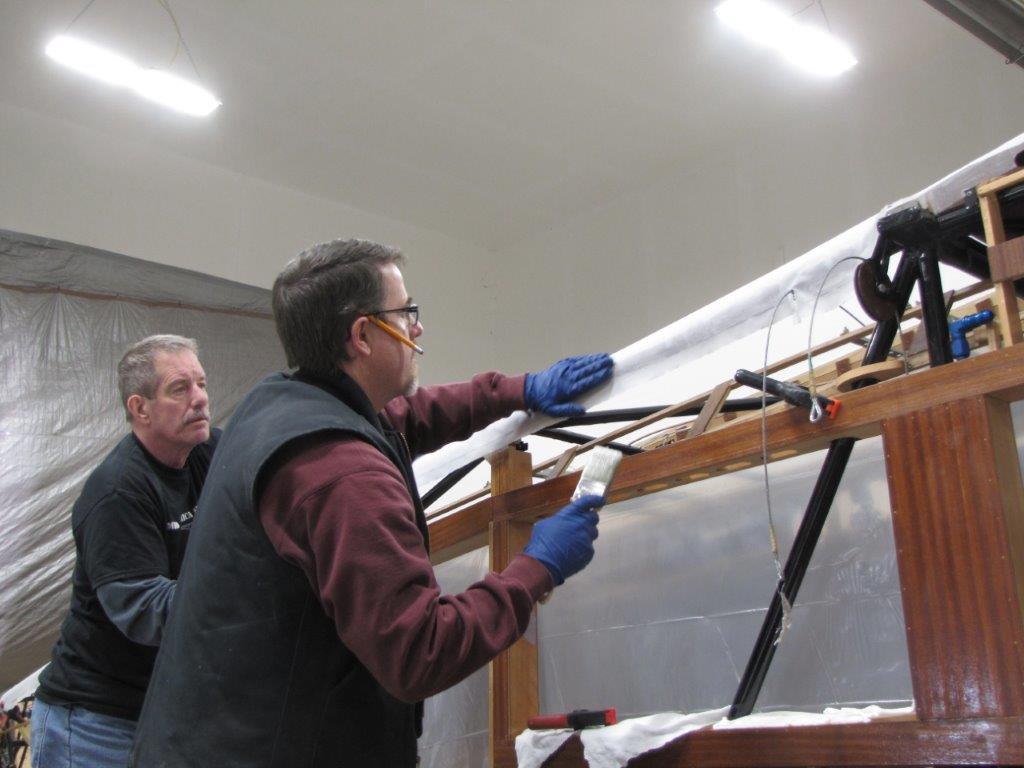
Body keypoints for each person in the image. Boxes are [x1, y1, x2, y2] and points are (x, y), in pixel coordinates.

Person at [130, 239, 613, 767]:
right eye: (406, 313)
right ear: (362, 335)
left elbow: (404, 418)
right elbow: (419, 651)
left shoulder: (280, 404)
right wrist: (537, 567)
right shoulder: (342, 474)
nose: (417, 329)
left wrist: (516, 390)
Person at [32, 335, 218, 768]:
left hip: (162, 711)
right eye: (180, 388)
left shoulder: (209, 454)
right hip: (94, 722)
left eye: (201, 384)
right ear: (140, 408)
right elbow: (143, 610)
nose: (199, 399)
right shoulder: (118, 491)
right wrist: (242, 590)